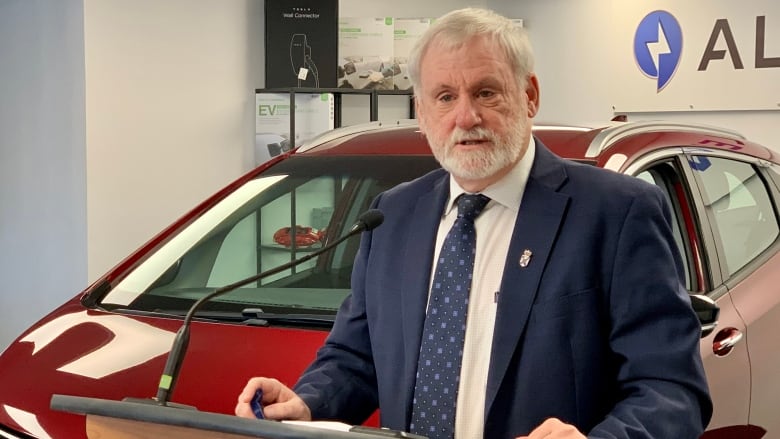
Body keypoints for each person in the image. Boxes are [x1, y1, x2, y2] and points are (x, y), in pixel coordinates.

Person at [236, 7, 712, 438]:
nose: (466, 116)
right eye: (444, 97)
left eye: (486, 92)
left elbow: (670, 390)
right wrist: (307, 403)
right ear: (422, 113)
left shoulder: (617, 212)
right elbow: (356, 359)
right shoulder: (392, 216)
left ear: (529, 96)